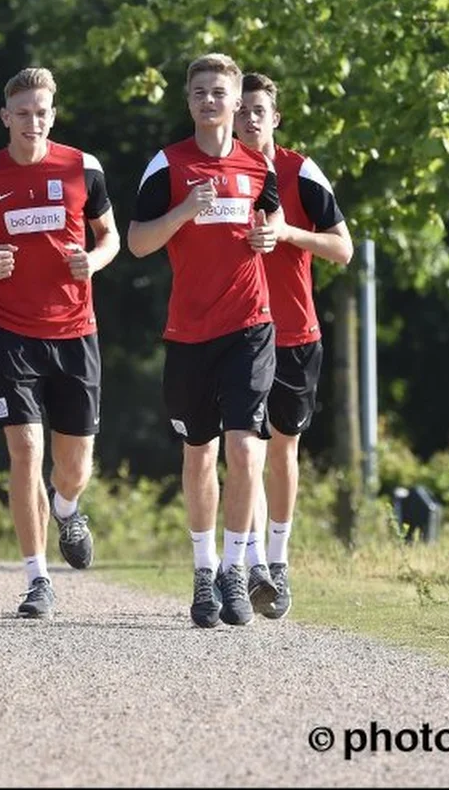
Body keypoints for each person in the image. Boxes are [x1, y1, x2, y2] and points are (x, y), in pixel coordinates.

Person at [0, 67, 120, 618]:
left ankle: (67, 508)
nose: (32, 122)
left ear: (52, 115)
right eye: (22, 113)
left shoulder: (83, 167)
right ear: (5, 117)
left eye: (42, 112)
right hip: (11, 333)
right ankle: (37, 579)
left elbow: (110, 235)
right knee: (25, 452)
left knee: (74, 465)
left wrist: (96, 259)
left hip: (75, 331)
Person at [128, 53, 284, 628]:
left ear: (238, 100)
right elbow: (138, 242)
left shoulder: (258, 165)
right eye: (200, 92)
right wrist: (184, 211)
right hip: (189, 331)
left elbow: (269, 221)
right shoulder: (167, 166)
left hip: (250, 326)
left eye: (219, 92)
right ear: (188, 100)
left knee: (245, 451)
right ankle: (202, 570)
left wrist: (269, 236)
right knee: (200, 454)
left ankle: (236, 574)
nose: (209, 100)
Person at [233, 72, 353, 619]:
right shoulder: (217, 173)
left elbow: (342, 249)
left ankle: (277, 559)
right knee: (247, 451)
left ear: (274, 117)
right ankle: (253, 563)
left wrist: (287, 234)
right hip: (235, 334)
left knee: (282, 451)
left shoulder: (300, 171)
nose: (250, 118)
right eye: (243, 109)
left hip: (295, 334)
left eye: (260, 110)